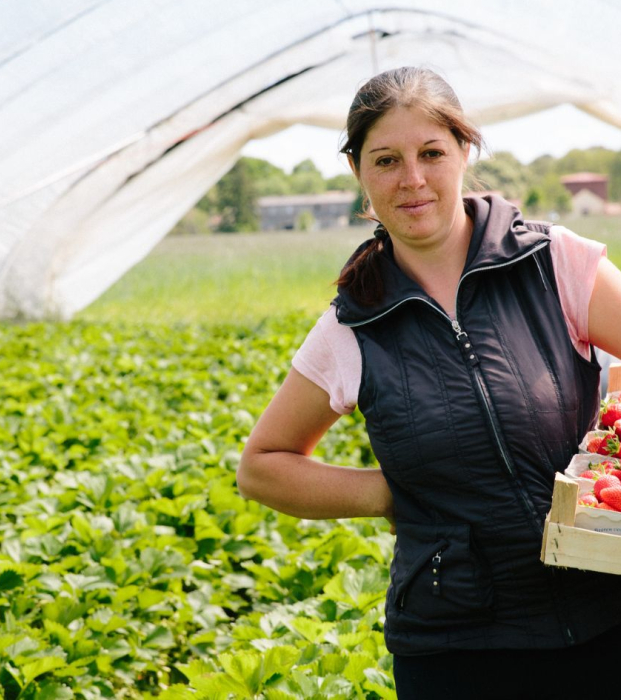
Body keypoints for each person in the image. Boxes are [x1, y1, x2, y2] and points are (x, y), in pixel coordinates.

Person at [236, 66, 621, 699]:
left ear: (465, 152)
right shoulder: (352, 325)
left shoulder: (556, 264)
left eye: (431, 153)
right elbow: (262, 466)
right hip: (456, 648)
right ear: (359, 172)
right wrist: (392, 494)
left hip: (605, 614)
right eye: (386, 160)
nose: (412, 179)